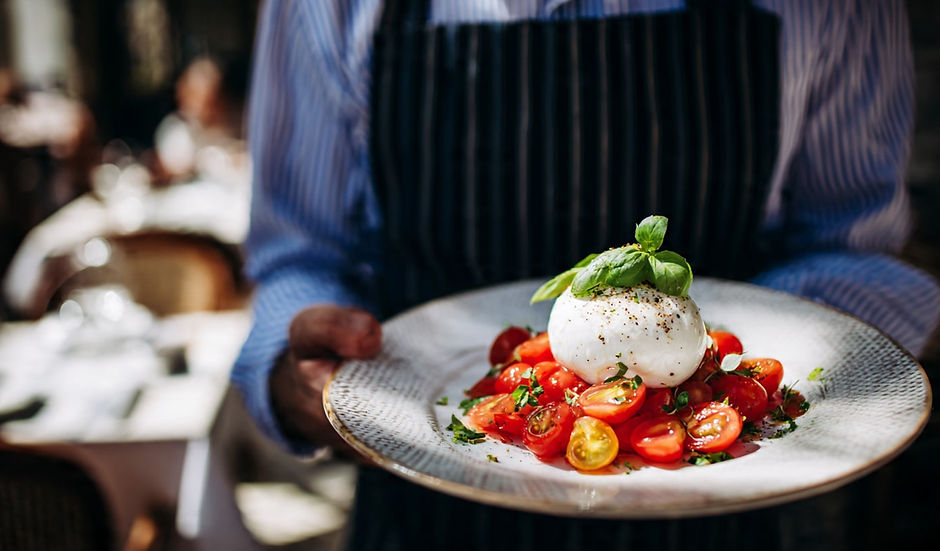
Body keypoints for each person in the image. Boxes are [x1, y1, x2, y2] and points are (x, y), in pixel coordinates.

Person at [233, 0, 940, 549]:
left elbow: (857, 247)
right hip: (431, 519)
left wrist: (737, 368)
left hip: (726, 519)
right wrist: (309, 369)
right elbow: (296, 255)